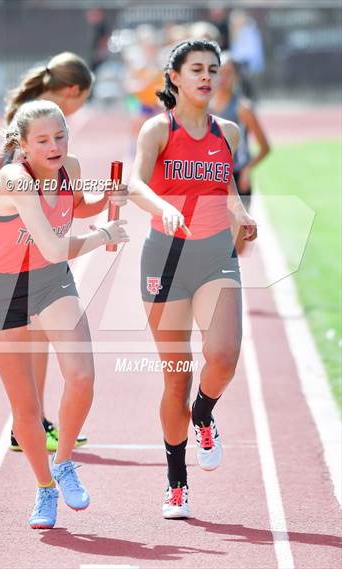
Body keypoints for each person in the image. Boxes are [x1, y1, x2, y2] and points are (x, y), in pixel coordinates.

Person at [0, 99, 129, 528]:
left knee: (81, 376)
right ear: (23, 147)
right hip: (5, 289)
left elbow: (72, 206)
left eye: (60, 136)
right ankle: (45, 487)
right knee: (25, 407)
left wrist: (105, 200)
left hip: (50, 281)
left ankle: (63, 462)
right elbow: (54, 244)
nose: (54, 146)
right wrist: (103, 236)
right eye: (43, 140)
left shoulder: (72, 167)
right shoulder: (15, 179)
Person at [129, 40, 257, 519]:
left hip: (215, 256)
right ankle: (176, 482)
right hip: (165, 260)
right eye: (197, 69)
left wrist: (241, 214)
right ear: (175, 77)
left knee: (223, 355)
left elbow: (225, 187)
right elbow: (135, 183)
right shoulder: (157, 129)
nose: (207, 77)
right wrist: (161, 205)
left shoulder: (229, 133)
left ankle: (204, 414)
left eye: (213, 69)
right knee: (176, 380)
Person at [0, 52, 94, 453]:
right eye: (83, 101)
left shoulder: (43, 123)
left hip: (39, 252)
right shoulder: (31, 124)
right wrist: (21, 211)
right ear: (73, 91)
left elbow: (71, 197)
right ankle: (28, 423)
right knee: (35, 340)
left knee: (43, 340)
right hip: (20, 257)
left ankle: (34, 420)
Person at [210, 51, 270, 252]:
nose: (223, 78)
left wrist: (247, 170)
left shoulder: (243, 107)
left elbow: (265, 147)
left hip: (237, 175)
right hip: (212, 177)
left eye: (228, 73)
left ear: (235, 76)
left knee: (239, 246)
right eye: (218, 72)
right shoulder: (203, 107)